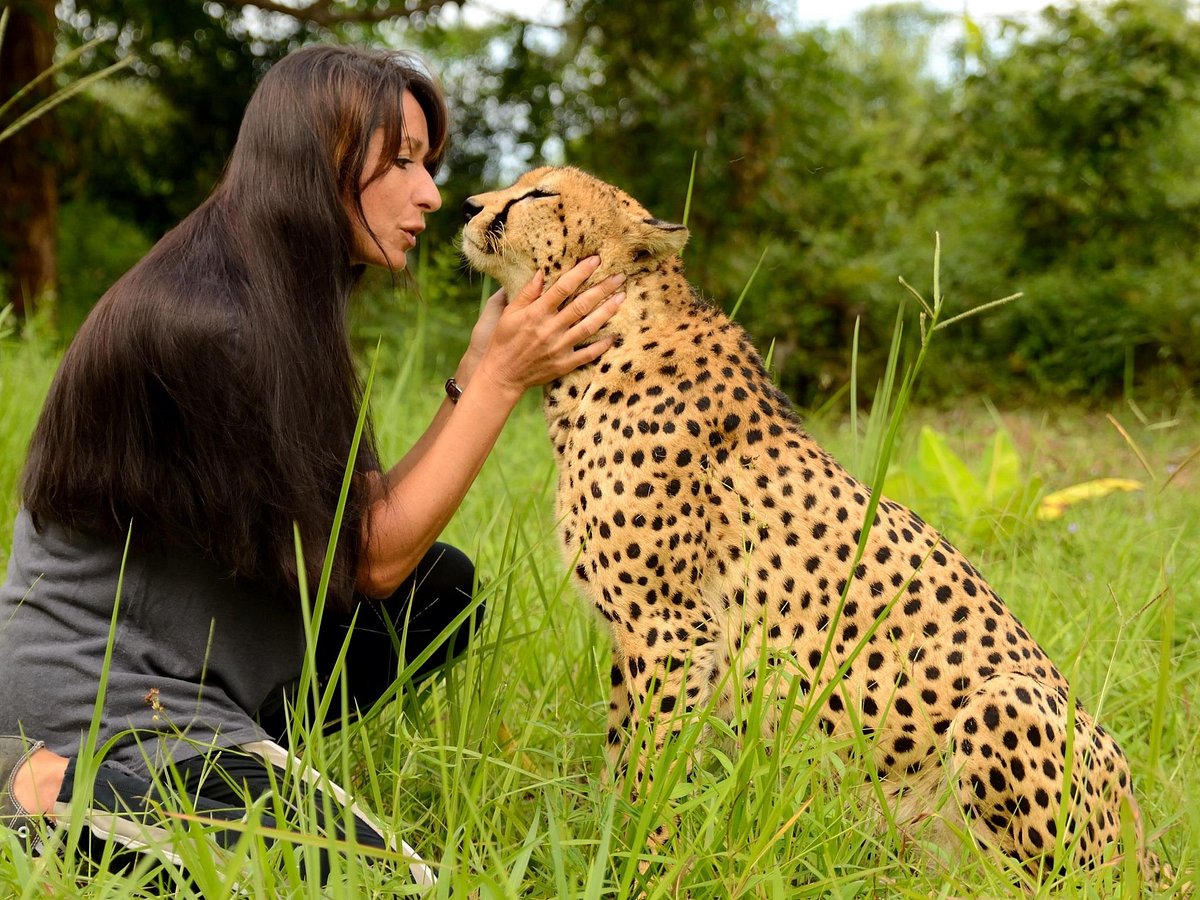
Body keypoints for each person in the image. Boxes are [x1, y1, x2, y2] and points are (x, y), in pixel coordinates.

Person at [0, 43, 625, 884]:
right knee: (390, 885)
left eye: (428, 164)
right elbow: (371, 561)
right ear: (320, 157)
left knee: (439, 591)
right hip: (102, 698)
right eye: (402, 161)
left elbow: (357, 524)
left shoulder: (274, 296)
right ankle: (36, 783)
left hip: (196, 674)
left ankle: (241, 765)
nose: (432, 193)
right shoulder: (210, 327)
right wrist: (502, 380)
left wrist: (475, 371)